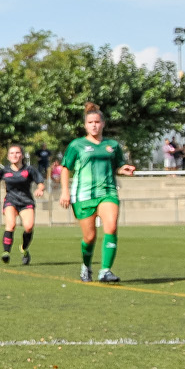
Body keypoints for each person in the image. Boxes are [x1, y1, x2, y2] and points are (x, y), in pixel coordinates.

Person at [59, 101, 138, 283]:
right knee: (90, 237)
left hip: (108, 192)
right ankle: (86, 266)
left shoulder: (112, 145)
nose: (94, 125)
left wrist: (123, 169)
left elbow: (118, 166)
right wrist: (65, 192)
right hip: (83, 196)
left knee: (111, 227)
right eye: (90, 123)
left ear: (103, 124)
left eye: (97, 122)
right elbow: (65, 168)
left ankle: (105, 271)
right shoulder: (76, 145)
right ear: (85, 125)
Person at [0, 143, 43, 264]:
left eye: (17, 153)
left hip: (26, 201)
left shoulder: (29, 170)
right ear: (8, 156)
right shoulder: (5, 171)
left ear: (22, 155)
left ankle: (24, 248)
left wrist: (40, 189)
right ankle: (6, 252)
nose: (15, 155)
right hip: (10, 201)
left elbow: (40, 182)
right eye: (12, 153)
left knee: (29, 227)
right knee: (11, 225)